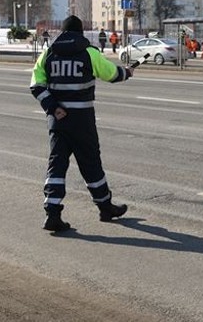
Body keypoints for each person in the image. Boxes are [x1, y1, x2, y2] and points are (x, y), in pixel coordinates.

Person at [30, 15, 134, 232]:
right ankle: (105, 207)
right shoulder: (89, 52)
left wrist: (53, 107)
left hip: (57, 120)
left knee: (56, 165)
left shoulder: (48, 53)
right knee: (91, 163)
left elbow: (36, 86)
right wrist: (127, 72)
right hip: (82, 119)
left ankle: (52, 213)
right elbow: (112, 74)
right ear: (80, 33)